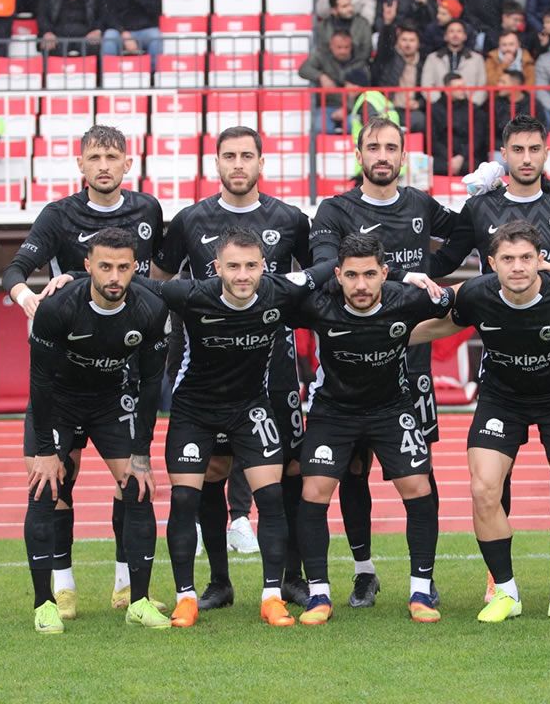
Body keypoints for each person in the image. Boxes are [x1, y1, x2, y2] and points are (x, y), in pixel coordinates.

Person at [409, 221, 550, 624]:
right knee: (483, 488)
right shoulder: (476, 294)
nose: (517, 267)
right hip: (501, 400)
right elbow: (444, 325)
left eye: (526, 258)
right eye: (508, 259)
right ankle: (505, 592)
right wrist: (385, 336)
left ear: (539, 260)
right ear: (492, 262)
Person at [1, 124, 163, 619]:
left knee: (133, 484)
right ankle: (62, 589)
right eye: (95, 157)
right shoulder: (59, 215)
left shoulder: (149, 210)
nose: (104, 166)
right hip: (63, 369)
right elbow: (15, 270)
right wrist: (28, 298)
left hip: (118, 375)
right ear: (81, 164)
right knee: (53, 485)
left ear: (127, 163)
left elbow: (160, 274)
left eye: (112, 157)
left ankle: (126, 589)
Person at [150, 127, 315, 610]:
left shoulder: (289, 219)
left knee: (289, 468)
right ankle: (219, 582)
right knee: (212, 470)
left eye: (247, 155)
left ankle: (290, 578)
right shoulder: (190, 220)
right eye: (229, 156)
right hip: (206, 362)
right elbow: (159, 282)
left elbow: (314, 282)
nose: (238, 164)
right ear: (216, 163)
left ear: (262, 162)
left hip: (273, 364)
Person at [140, 226, 333, 629]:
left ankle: (271, 597)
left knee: (272, 497)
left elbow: (334, 267)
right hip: (194, 411)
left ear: (264, 266)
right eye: (233, 267)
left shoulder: (280, 290)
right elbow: (131, 282)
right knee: (184, 500)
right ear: (216, 268)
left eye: (250, 266)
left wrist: (408, 276)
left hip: (251, 409)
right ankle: (186, 598)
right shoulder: (191, 295)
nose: (242, 275)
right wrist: (72, 278)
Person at [309, 117, 461, 609]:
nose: (381, 155)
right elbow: (325, 273)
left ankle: (424, 578)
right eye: (372, 147)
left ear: (403, 156)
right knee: (353, 470)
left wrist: (428, 273)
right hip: (352, 363)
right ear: (359, 155)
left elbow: (465, 234)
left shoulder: (420, 203)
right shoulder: (336, 209)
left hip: (410, 361)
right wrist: (396, 284)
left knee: (419, 470)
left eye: (390, 147)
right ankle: (364, 572)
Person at [293, 233, 455, 625]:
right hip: (333, 411)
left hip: (391, 408)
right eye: (351, 275)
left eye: (370, 274)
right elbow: (269, 296)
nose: (361, 285)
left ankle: (421, 590)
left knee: (418, 486)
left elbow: (462, 300)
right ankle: (319, 595)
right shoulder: (318, 305)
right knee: (314, 491)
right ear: (338, 275)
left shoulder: (409, 299)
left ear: (385, 273)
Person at [24, 228, 169, 633]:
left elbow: (151, 385)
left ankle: (137, 600)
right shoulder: (57, 308)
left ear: (135, 267)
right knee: (46, 488)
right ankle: (47, 602)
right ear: (88, 265)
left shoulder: (151, 309)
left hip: (111, 401)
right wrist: (45, 451)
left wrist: (141, 452)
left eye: (123, 267)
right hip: (58, 401)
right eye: (105, 266)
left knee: (137, 486)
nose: (114, 277)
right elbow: (39, 382)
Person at [299, 30, 370, 133]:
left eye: (346, 47)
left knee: (354, 127)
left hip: (353, 107)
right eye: (339, 47)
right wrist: (321, 76)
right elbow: (303, 69)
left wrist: (346, 109)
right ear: (331, 46)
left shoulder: (359, 62)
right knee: (320, 127)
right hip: (327, 105)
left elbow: (362, 90)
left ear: (351, 46)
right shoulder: (322, 56)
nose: (343, 51)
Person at [372, 20, 427, 132]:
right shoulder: (388, 58)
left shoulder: (423, 63)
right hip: (388, 109)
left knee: (421, 119)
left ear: (418, 43)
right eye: (404, 40)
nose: (407, 44)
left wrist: (419, 103)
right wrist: (387, 24)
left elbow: (428, 89)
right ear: (397, 42)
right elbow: (383, 45)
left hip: (410, 112)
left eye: (412, 40)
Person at [430, 73, 490, 175]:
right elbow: (433, 139)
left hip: (467, 157)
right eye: (458, 87)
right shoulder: (435, 109)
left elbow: (477, 138)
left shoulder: (474, 110)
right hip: (444, 157)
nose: (462, 90)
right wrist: (450, 158)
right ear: (447, 90)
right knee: (433, 166)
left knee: (476, 166)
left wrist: (461, 156)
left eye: (463, 86)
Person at [421, 19, 488, 105]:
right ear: (445, 36)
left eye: (459, 31)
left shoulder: (477, 59)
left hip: (470, 107)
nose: (455, 35)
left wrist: (471, 105)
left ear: (465, 36)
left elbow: (482, 86)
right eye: (451, 31)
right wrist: (439, 103)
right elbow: (426, 85)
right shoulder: (432, 58)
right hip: (440, 107)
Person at [100, 0, 162, 64]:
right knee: (109, 37)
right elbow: (108, 12)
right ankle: (109, 70)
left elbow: (157, 9)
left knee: (156, 36)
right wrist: (122, 32)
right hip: (120, 31)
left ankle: (154, 71)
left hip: (146, 30)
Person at [37, 0, 102, 56]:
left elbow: (102, 15)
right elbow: (42, 16)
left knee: (96, 46)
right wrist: (47, 32)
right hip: (57, 36)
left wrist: (97, 30)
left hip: (87, 36)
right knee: (49, 45)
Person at [315, 0, 374, 64]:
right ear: (334, 10)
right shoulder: (323, 27)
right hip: (330, 68)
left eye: (350, 5)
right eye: (344, 6)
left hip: (357, 67)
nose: (350, 9)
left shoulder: (363, 24)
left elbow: (366, 51)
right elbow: (322, 52)